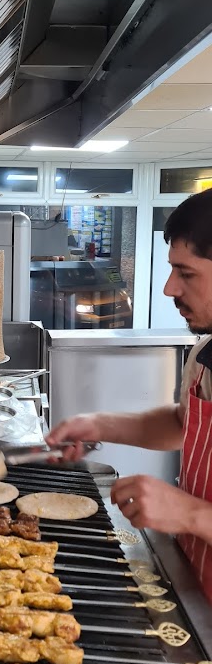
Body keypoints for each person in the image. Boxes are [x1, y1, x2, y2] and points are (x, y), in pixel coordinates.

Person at [47, 187, 212, 602]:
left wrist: (192, 513)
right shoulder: (205, 355)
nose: (169, 289)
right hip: (193, 588)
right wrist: (97, 424)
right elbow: (183, 425)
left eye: (186, 274)